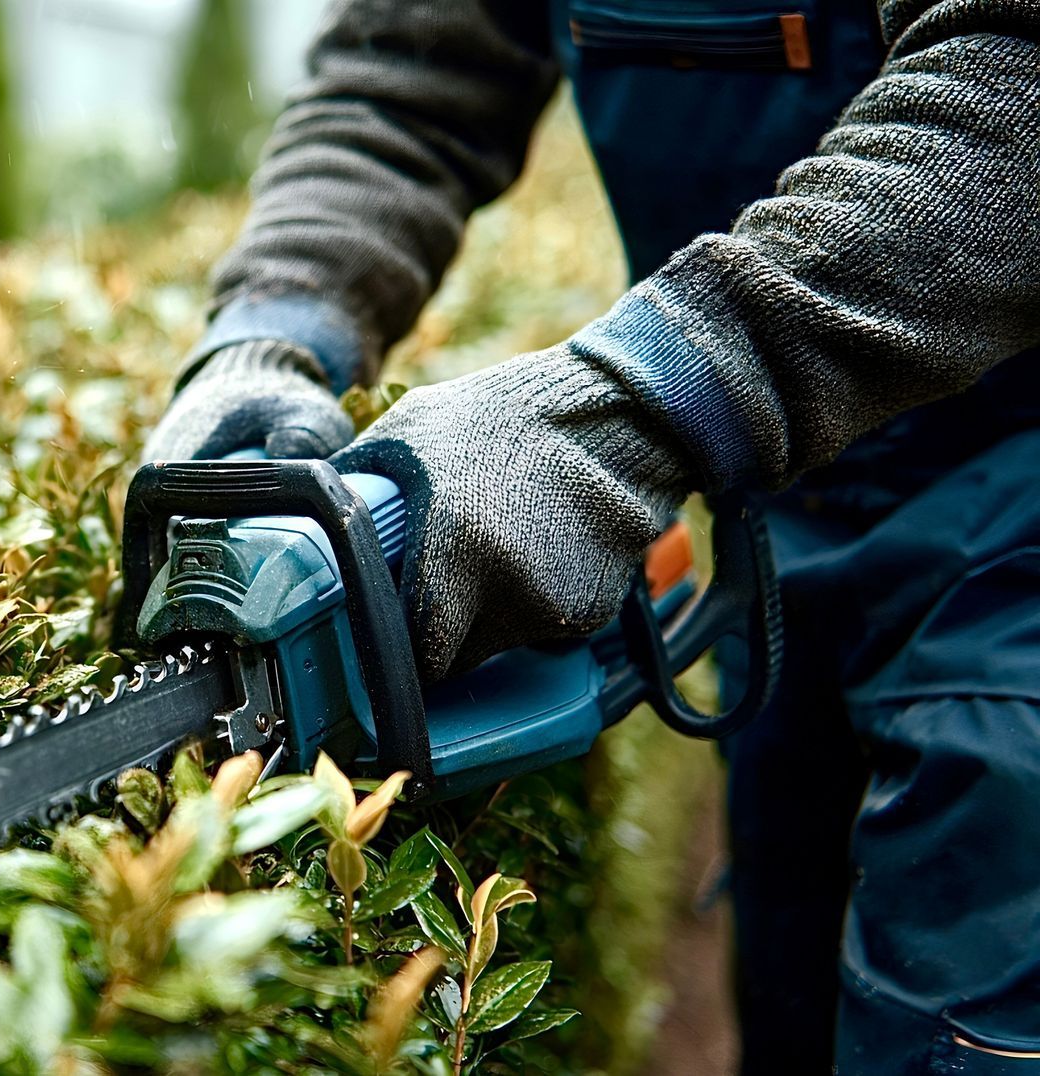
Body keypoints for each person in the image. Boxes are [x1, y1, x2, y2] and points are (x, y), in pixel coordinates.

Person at [142, 0, 1040, 1069]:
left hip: (1018, 516)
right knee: (792, 1007)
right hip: (787, 501)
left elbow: (1015, 87)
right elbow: (403, 80)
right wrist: (268, 336)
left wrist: (626, 410)